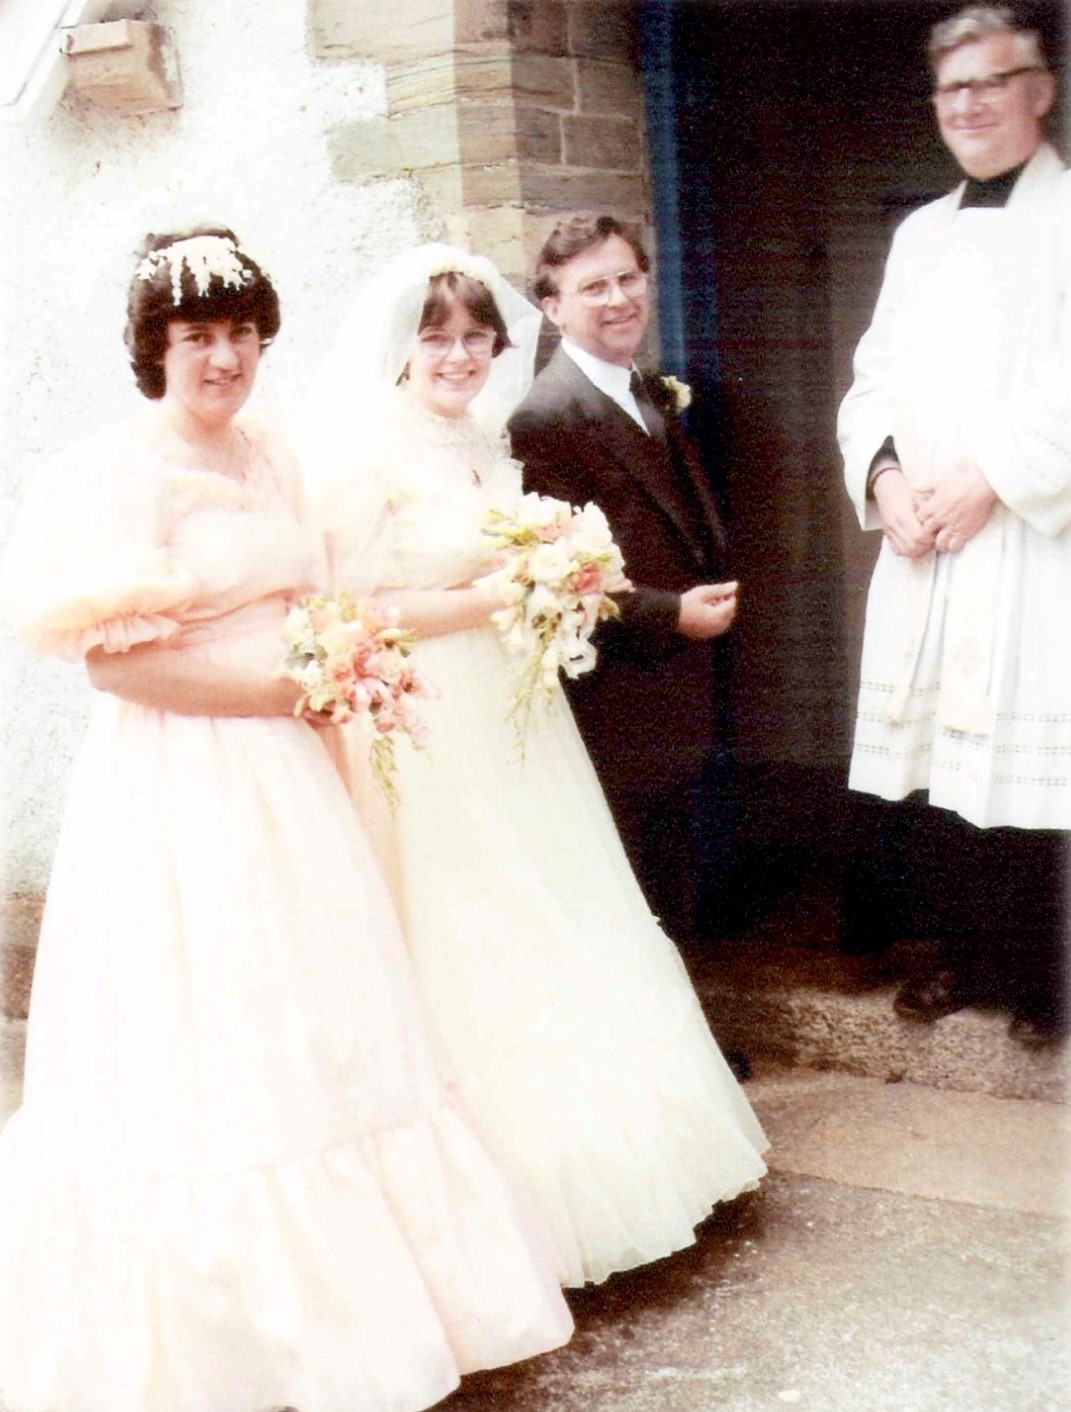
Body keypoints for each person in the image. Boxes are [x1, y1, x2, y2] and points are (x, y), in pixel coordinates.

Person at [0, 227, 573, 1412]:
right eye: (196, 336)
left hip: (295, 765)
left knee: (329, 1013)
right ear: (154, 349)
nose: (223, 359)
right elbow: (122, 673)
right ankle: (234, 1337)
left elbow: (323, 597)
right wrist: (286, 687)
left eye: (242, 333)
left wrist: (340, 677)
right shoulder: (125, 473)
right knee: (211, 1024)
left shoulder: (275, 454)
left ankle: (374, 1308)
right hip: (180, 781)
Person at [301, 242, 768, 1290]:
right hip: (429, 721)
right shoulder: (361, 456)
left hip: (519, 718)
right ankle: (501, 1201)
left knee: (560, 901)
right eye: (439, 336)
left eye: (477, 336)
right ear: (401, 347)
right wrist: (505, 593)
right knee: (471, 922)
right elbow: (346, 609)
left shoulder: (485, 441)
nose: (461, 355)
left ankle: (630, 1156)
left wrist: (555, 574)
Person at [838, 5, 1069, 1045]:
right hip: (927, 535)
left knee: (1032, 761)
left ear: (1041, 90)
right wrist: (883, 477)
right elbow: (873, 376)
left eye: (991, 80)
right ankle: (968, 953)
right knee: (944, 759)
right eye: (951, 88)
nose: (968, 104)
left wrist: (998, 478)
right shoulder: (919, 235)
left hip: (1034, 534)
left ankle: (1047, 978)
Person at [507, 215, 737, 948]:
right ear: (552, 307)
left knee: (671, 873)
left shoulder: (643, 388)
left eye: (627, 279)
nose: (617, 299)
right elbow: (553, 584)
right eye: (592, 287)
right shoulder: (544, 416)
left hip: (674, 688)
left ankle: (686, 1038)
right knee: (632, 886)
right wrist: (672, 615)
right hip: (616, 693)